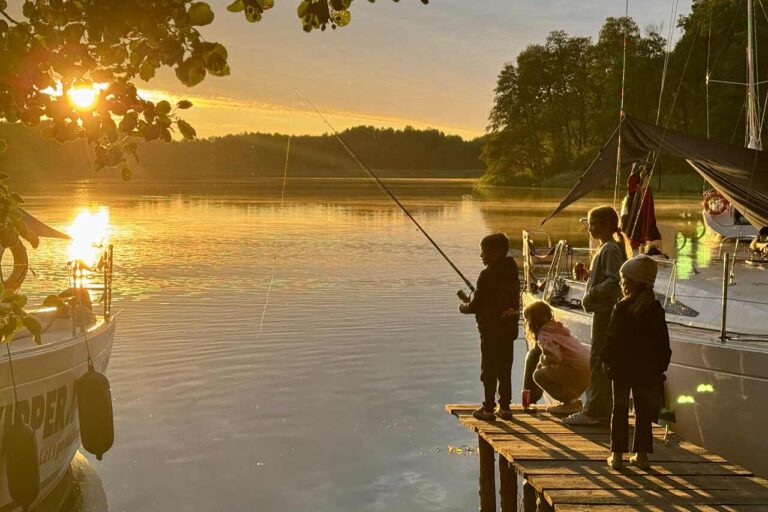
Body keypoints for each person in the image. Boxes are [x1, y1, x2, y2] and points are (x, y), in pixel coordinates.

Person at [602, 255, 671, 470]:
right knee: (643, 412)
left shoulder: (621, 308)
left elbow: (611, 338)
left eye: (626, 280)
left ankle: (617, 455)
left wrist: (606, 359)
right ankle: (641, 456)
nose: (622, 283)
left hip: (621, 369)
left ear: (636, 282)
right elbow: (663, 342)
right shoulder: (655, 309)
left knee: (619, 409)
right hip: (646, 371)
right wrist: (660, 367)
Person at [563, 205, 630, 426]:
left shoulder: (610, 249)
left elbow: (614, 280)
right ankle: (600, 408)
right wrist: (588, 276)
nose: (589, 228)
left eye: (593, 224)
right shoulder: (606, 248)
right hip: (602, 310)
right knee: (599, 359)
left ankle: (593, 411)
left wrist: (591, 294)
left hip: (605, 312)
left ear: (607, 225)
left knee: (598, 359)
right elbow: (606, 276)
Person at [459, 233, 520, 421]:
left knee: (489, 370)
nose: (481, 256)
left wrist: (464, 307)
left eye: (484, 253)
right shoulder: (512, 270)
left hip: (491, 331)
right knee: (505, 369)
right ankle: (505, 407)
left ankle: (488, 409)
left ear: (495, 254)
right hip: (509, 329)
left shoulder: (487, 274)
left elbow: (476, 305)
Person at [523, 301, 590, 415]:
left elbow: (555, 357)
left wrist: (543, 362)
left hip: (577, 370)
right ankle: (572, 401)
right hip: (589, 370)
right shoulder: (557, 328)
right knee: (554, 370)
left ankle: (570, 403)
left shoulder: (544, 334)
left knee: (538, 375)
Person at [621, 164, 661, 250]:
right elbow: (631, 187)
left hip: (641, 200)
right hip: (634, 205)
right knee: (634, 223)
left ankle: (640, 243)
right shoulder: (634, 180)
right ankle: (632, 243)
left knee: (643, 223)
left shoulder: (647, 192)